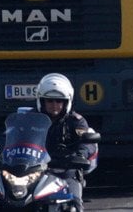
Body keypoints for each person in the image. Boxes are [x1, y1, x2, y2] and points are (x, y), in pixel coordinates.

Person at [35, 73, 98, 209]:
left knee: (73, 200)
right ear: (41, 101)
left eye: (59, 101)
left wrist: (80, 155)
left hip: (65, 168)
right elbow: (9, 135)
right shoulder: (30, 118)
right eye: (49, 101)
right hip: (35, 169)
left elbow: (87, 142)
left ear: (66, 102)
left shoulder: (76, 121)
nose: (54, 105)